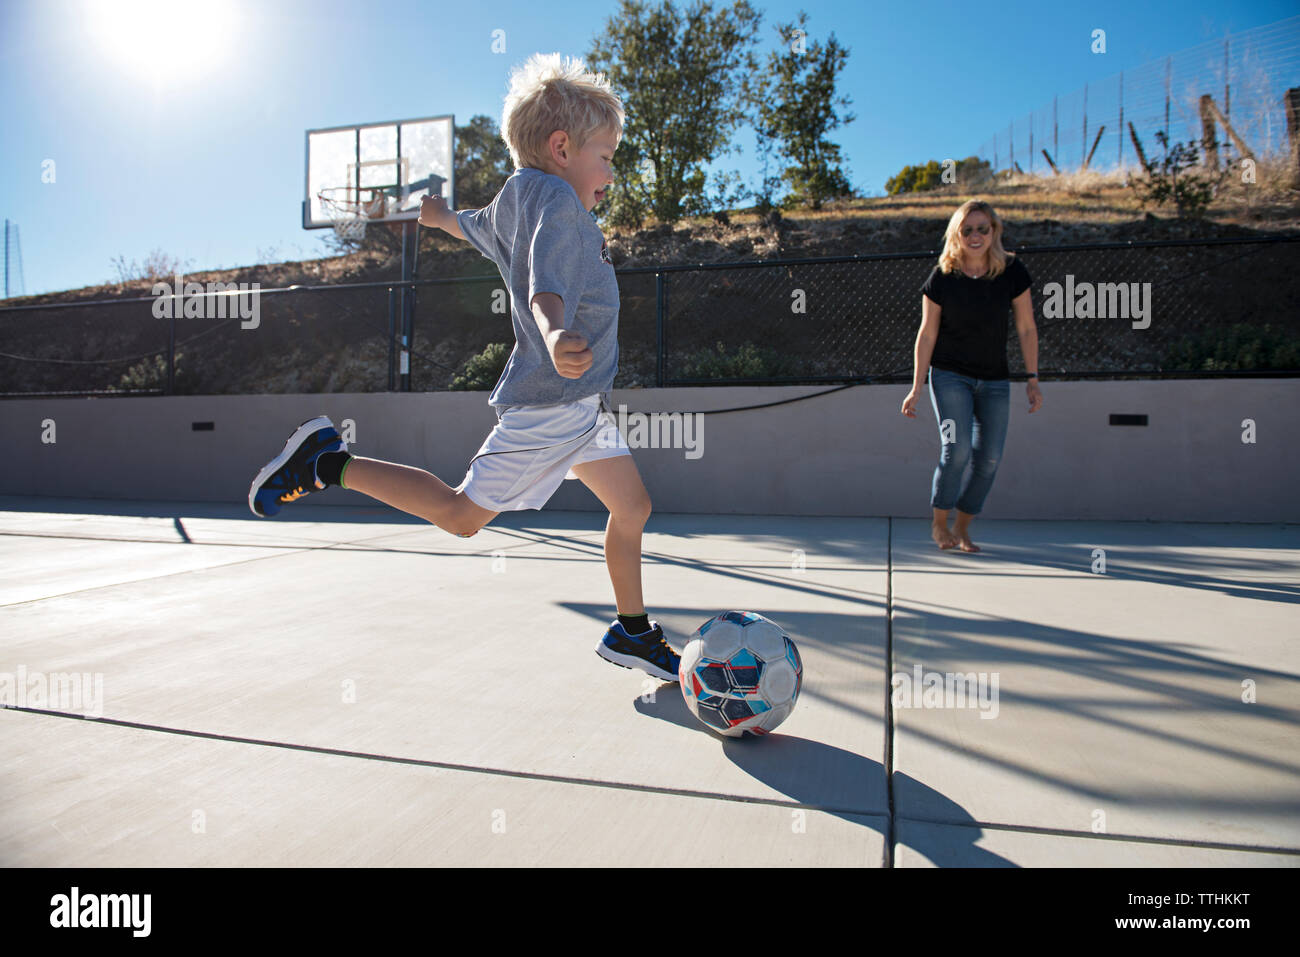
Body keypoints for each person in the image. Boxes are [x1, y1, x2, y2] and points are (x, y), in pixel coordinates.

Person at [247, 53, 679, 682]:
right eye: (606, 156)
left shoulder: (518, 200)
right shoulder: (558, 206)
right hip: (553, 406)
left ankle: (632, 632)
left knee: (632, 506)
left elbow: (467, 225)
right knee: (459, 516)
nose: (609, 175)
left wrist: (433, 215)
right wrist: (557, 334)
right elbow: (544, 287)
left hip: (579, 409)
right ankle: (324, 461)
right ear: (562, 148)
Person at [900, 199, 1043, 552]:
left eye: (983, 228)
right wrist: (916, 387)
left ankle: (962, 528)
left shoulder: (1012, 271)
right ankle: (938, 524)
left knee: (989, 458)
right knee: (956, 449)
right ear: (956, 234)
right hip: (950, 377)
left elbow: (1026, 328)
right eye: (967, 229)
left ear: (994, 231)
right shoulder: (942, 277)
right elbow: (927, 334)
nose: (975, 235)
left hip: (994, 380)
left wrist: (1033, 378)